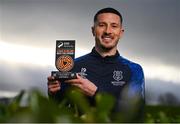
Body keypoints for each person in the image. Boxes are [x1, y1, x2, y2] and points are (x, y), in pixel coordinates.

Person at [47, 7, 145, 122]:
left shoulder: (134, 70)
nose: (108, 31)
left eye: (114, 26)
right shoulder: (73, 66)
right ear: (93, 30)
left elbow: (136, 114)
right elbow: (59, 113)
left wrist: (95, 92)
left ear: (121, 32)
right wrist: (54, 95)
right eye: (102, 25)